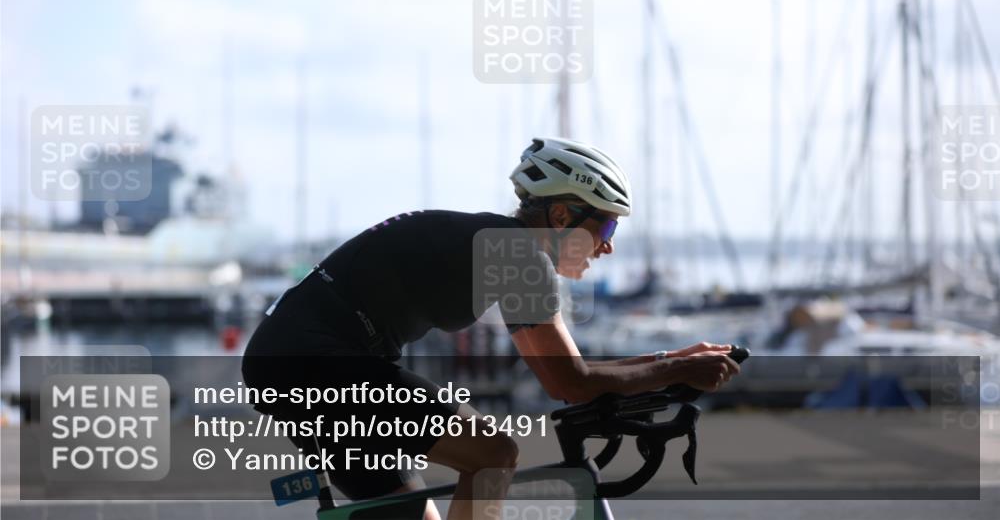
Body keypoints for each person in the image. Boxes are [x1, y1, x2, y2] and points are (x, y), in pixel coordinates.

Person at [241, 137, 740, 520]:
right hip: (316, 362)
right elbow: (568, 383)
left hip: (299, 359)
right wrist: (676, 367)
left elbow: (571, 373)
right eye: (606, 228)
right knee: (492, 453)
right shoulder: (518, 254)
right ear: (562, 214)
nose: (608, 246)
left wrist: (669, 363)